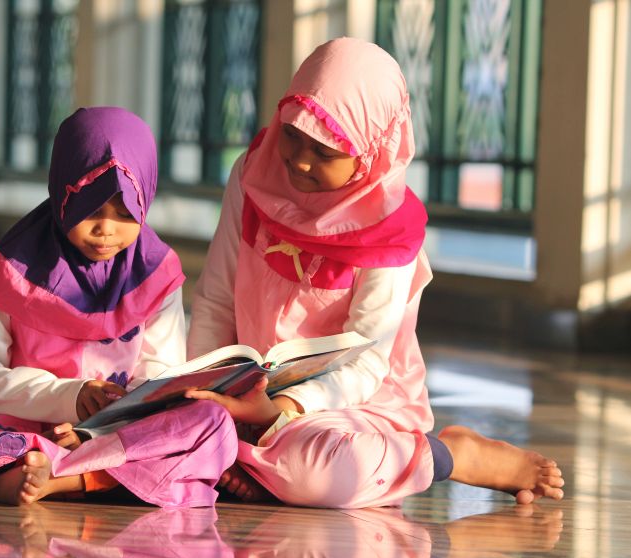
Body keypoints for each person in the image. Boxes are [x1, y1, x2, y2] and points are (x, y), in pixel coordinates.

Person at [185, 37, 564, 508]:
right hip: (247, 394)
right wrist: (200, 392)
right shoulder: (252, 175)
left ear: (369, 152)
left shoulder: (390, 227)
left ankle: (449, 456)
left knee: (322, 472)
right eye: (292, 135)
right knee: (164, 435)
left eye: (325, 152)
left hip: (347, 405)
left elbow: (364, 363)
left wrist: (281, 411)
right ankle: (244, 456)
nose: (299, 161)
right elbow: (216, 300)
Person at [0, 107, 236, 507]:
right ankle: (94, 475)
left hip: (116, 434)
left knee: (211, 423)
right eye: (91, 210)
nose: (107, 229)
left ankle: (58, 478)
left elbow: (159, 375)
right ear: (62, 192)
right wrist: (69, 396)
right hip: (28, 432)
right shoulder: (16, 268)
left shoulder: (156, 271)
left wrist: (103, 424)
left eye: (126, 213)